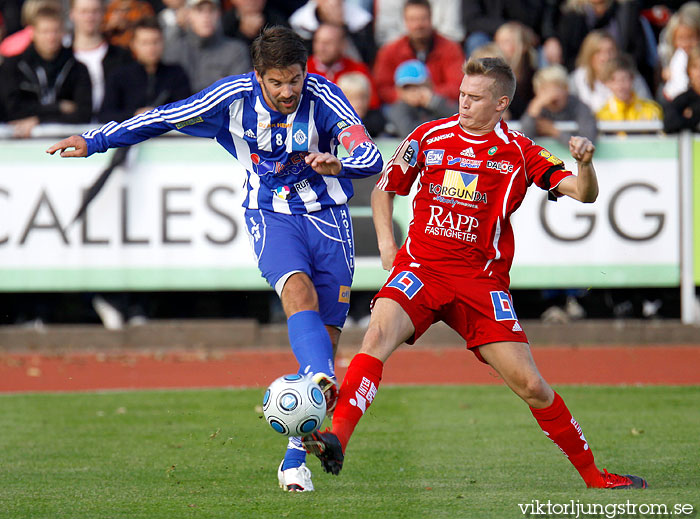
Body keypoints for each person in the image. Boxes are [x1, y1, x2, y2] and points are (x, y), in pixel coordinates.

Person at [46, 26, 383, 493]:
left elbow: (371, 155)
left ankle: (293, 458)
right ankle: (298, 446)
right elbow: (162, 117)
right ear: (257, 76)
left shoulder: (326, 96)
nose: (288, 91)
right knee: (297, 293)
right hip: (271, 215)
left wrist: (339, 162)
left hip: (330, 221)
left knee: (322, 360)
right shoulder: (231, 97)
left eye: (295, 79)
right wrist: (96, 140)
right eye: (277, 82)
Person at [302, 56, 648, 491]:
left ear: (501, 102)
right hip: (421, 268)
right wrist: (390, 248)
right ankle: (337, 438)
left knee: (532, 385)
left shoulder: (521, 152)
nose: (463, 103)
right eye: (462, 94)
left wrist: (585, 164)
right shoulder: (429, 136)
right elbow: (385, 189)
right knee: (375, 337)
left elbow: (583, 193)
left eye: (475, 97)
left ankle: (595, 476)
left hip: (480, 283)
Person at [1, 4, 92, 137]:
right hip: (19, 143)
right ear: (33, 33)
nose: (50, 37)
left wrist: (39, 120)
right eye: (45, 31)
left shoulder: (78, 69)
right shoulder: (13, 66)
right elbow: (11, 110)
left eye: (55, 31)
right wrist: (58, 107)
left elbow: (83, 114)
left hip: (66, 141)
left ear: (63, 33)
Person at [372, 0, 465, 105]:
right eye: (413, 20)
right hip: (403, 106)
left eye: (423, 19)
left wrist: (430, 94)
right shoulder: (389, 51)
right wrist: (403, 96)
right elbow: (381, 88)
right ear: (405, 21)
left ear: (431, 19)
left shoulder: (450, 48)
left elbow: (458, 85)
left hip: (437, 105)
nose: (418, 25)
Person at [100, 17, 191, 122]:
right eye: (145, 43)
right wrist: (135, 114)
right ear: (133, 45)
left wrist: (160, 115)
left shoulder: (176, 74)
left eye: (155, 42)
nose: (151, 48)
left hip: (168, 136)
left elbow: (186, 112)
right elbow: (105, 115)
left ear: (163, 42)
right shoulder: (119, 76)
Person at [162, 0, 251, 92]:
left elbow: (238, 94)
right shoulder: (174, 49)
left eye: (211, 10)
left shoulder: (236, 50)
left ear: (218, 14)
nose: (206, 16)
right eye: (199, 10)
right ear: (188, 14)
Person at [69, 0, 133, 116]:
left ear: (103, 13)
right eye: (84, 11)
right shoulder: (62, 58)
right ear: (72, 14)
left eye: (95, 11)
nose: (89, 17)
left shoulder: (122, 57)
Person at [569, 30, 652, 114]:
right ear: (589, 55)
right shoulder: (577, 80)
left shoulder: (631, 76)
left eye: (610, 51)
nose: (606, 57)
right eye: (599, 52)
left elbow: (647, 105)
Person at [306, 23, 380, 110]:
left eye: (328, 43)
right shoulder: (304, 70)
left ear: (342, 45)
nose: (321, 48)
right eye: (318, 41)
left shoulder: (357, 70)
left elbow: (373, 102)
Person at [521, 64, 597, 147]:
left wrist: (554, 132)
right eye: (546, 90)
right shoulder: (537, 107)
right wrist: (533, 113)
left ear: (566, 88)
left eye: (556, 88)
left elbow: (587, 142)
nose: (552, 94)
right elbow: (523, 141)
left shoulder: (579, 107)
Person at [386, 59, 457, 137]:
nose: (413, 91)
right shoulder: (399, 109)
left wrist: (433, 101)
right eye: (407, 87)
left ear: (429, 84)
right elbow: (409, 133)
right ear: (399, 90)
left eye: (418, 86)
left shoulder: (436, 103)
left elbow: (459, 118)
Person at [596, 54, 663, 124]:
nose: (620, 85)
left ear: (632, 79)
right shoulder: (601, 116)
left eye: (624, 79)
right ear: (606, 83)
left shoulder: (651, 110)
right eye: (614, 80)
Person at [336, 72, 386, 138]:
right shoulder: (333, 122)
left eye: (363, 97)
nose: (359, 103)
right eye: (352, 98)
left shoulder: (377, 120)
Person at [664, 44, 700, 133]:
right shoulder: (682, 100)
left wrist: (692, 114)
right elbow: (670, 124)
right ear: (688, 70)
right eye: (695, 67)